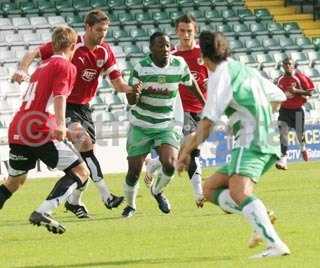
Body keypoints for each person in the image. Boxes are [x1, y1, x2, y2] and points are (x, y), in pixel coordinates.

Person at [11, 9, 142, 218]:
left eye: (105, 30)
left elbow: (117, 83)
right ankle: (106, 195)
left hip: (85, 108)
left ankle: (74, 203)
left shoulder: (105, 51)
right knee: (86, 145)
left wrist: (131, 89)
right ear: (88, 28)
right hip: (64, 105)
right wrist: (22, 70)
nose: (102, 34)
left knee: (85, 157)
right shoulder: (71, 44)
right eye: (99, 30)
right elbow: (32, 53)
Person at [177, 31, 290, 258]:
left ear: (204, 57)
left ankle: (273, 243)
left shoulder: (220, 75)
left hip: (251, 139)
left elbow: (207, 124)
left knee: (239, 191)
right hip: (267, 137)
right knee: (209, 189)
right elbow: (279, 96)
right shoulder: (244, 69)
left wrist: (186, 152)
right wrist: (255, 115)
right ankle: (259, 219)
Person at [0, 26, 90, 234]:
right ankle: (43, 211)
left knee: (14, 182)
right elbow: (60, 96)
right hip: (37, 131)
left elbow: (42, 102)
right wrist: (61, 125)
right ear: (72, 45)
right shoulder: (65, 66)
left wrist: (65, 131)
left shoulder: (42, 66)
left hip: (18, 129)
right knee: (80, 171)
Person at [121, 32, 206, 218]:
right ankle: (130, 205)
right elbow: (131, 101)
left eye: (167, 45)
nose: (165, 49)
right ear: (151, 48)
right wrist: (134, 92)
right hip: (141, 125)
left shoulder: (179, 65)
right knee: (133, 172)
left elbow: (191, 84)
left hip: (166, 124)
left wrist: (204, 104)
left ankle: (157, 191)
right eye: (160, 46)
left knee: (169, 164)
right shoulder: (141, 68)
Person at [144, 14, 208, 207]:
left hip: (201, 109)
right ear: (176, 32)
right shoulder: (170, 55)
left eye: (189, 31)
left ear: (195, 31)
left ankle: (154, 164)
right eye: (182, 31)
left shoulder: (204, 53)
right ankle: (199, 194)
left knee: (187, 149)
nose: (186, 35)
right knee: (193, 148)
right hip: (178, 110)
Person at [275, 56, 314, 170]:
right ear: (283, 66)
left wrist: (296, 91)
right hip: (284, 110)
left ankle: (303, 148)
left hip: (297, 110)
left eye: (289, 64)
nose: (287, 66)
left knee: (299, 134)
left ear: (293, 65)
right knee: (283, 134)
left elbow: (310, 93)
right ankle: (284, 159)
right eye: (285, 64)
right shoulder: (279, 80)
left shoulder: (299, 77)